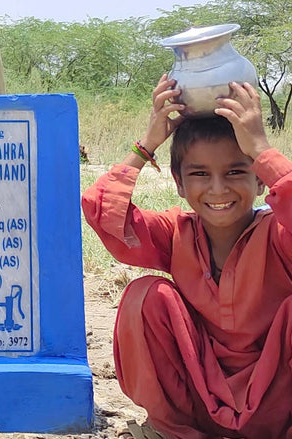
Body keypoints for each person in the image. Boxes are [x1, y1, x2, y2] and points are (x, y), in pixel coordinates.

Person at [82, 75, 292, 438]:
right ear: (179, 183)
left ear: (259, 181)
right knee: (145, 295)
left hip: (278, 409)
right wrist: (147, 144)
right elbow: (105, 216)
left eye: (235, 172)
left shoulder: (278, 234)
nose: (217, 188)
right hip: (197, 409)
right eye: (199, 174)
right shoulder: (176, 232)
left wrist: (261, 149)